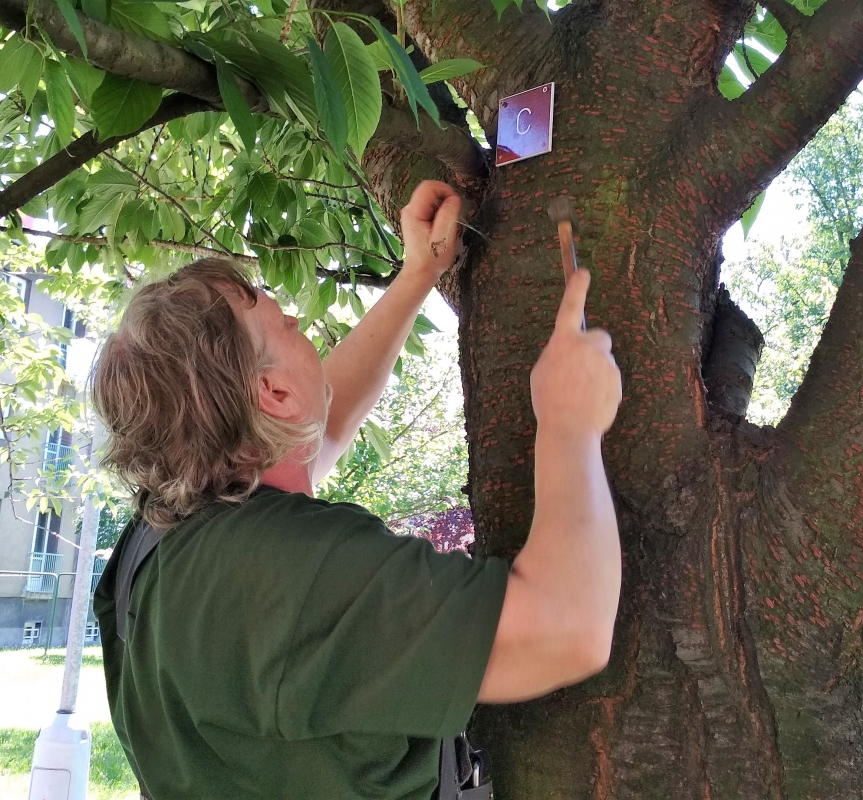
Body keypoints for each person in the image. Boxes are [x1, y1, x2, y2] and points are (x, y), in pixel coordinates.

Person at [91, 180, 623, 799]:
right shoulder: (292, 572)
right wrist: (569, 424)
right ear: (275, 397)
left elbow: (323, 418)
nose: (300, 324)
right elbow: (567, 630)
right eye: (286, 323)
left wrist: (417, 275)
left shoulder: (163, 538)